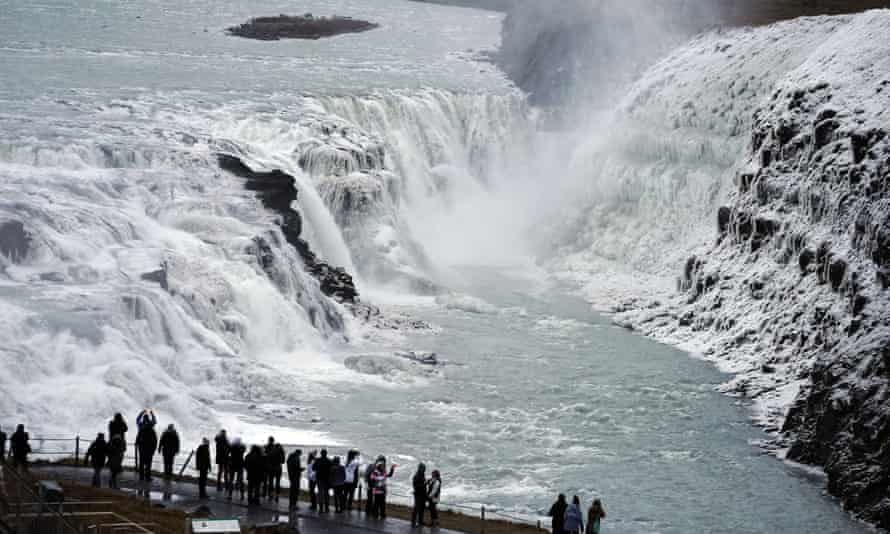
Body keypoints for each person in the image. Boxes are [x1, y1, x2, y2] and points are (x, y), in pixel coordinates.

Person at [411, 463, 427, 527]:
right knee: (416, 508)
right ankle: (413, 522)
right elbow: (416, 486)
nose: (424, 469)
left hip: (423, 494)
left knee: (422, 508)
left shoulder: (422, 475)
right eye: (423, 468)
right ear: (420, 468)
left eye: (424, 468)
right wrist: (425, 484)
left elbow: (422, 485)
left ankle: (420, 521)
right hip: (418, 494)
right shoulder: (416, 476)